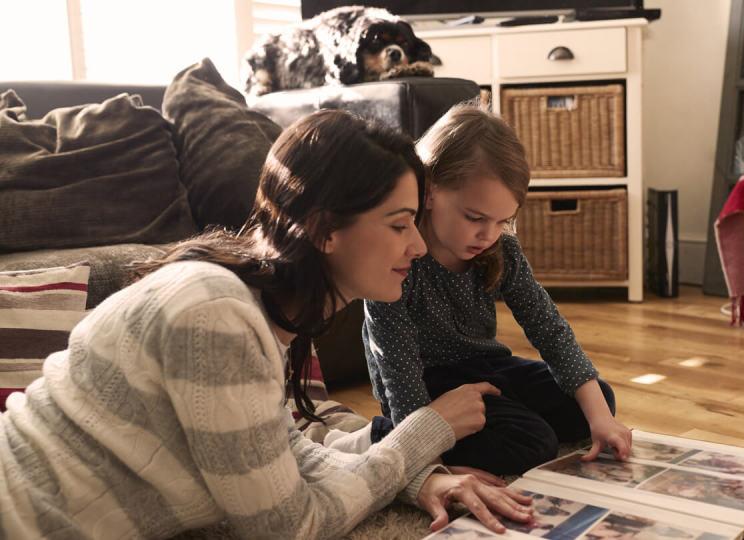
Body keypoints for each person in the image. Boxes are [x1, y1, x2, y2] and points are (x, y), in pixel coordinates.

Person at [0, 110, 533, 539]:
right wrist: (423, 434)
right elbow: (289, 524)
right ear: (326, 230)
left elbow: (287, 455)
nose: (418, 246)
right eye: (399, 225)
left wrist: (417, 479)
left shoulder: (250, 311)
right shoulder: (214, 316)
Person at [363, 103, 633, 477]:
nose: (487, 234)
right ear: (429, 190)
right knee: (532, 443)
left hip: (487, 366)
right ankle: (383, 435)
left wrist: (600, 418)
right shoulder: (398, 258)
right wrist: (424, 454)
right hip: (425, 384)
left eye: (502, 220)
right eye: (474, 218)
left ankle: (509, 421)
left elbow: (548, 327)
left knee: (596, 399)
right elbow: (397, 369)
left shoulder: (499, 248)